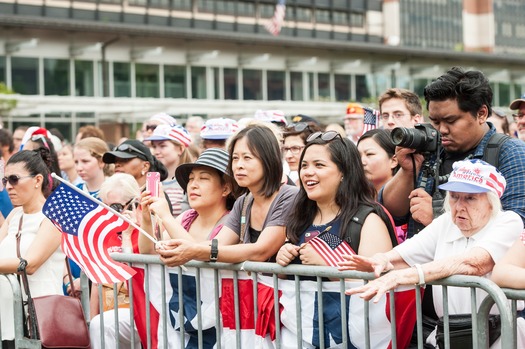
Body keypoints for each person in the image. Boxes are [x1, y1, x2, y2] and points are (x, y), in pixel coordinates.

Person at [341, 159, 523, 347]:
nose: (459, 206)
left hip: (499, 334)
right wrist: (381, 260)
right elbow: (404, 255)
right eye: (453, 196)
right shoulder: (446, 221)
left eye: (470, 198)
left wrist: (408, 275)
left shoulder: (509, 221)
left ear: (492, 202)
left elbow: (474, 263)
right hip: (450, 333)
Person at [381, 67, 525, 239]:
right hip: (420, 263)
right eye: (435, 121)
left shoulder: (510, 152)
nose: (442, 129)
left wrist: (437, 216)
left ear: (481, 113)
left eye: (451, 120)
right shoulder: (429, 148)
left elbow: (516, 227)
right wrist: (407, 171)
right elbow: (390, 213)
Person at [153, 124, 298, 265]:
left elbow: (260, 251)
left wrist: (194, 250)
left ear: (268, 160)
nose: (239, 165)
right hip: (256, 288)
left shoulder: (288, 196)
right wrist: (179, 247)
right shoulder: (244, 201)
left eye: (247, 158)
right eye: (235, 158)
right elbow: (218, 244)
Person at [276, 130, 396, 266]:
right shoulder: (299, 217)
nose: (308, 172)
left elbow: (377, 279)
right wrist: (284, 257)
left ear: (344, 172)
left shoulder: (367, 220)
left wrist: (327, 264)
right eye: (304, 165)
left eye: (319, 165)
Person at [0, 149, 64, 346]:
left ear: (37, 180)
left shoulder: (53, 217)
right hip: (7, 317)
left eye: (14, 179)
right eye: (5, 181)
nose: (9, 187)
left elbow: (30, 264)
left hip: (40, 318)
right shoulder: (14, 215)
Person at [139, 148, 236, 253]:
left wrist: (166, 216)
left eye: (203, 178)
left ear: (226, 189)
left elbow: (200, 256)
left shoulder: (232, 223)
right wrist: (147, 220)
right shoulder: (186, 218)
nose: (193, 185)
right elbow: (149, 252)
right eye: (191, 179)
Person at [89, 173, 141, 349]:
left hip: (139, 313)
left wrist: (126, 236)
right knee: (99, 324)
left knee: (103, 324)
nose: (110, 214)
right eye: (105, 208)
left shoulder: (146, 234)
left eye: (116, 207)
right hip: (108, 318)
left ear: (134, 204)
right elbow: (96, 283)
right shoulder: (104, 235)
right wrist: (91, 320)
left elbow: (132, 284)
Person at [102, 139, 173, 215]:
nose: (117, 164)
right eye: (115, 161)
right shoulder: (113, 193)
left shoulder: (155, 197)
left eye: (125, 159)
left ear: (145, 166)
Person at [145, 124, 193, 216]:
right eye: (154, 147)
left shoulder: (190, 181)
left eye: (162, 146)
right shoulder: (150, 180)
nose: (156, 151)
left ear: (180, 149)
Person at [357, 129, 399, 193]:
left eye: (369, 154)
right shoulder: (351, 197)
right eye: (358, 156)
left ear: (393, 161)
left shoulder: (406, 198)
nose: (362, 162)